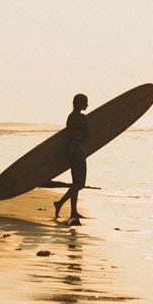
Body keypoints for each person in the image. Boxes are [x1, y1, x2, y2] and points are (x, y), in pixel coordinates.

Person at [53, 93, 89, 224]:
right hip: (78, 151)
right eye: (85, 102)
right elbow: (86, 134)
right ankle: (60, 203)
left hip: (71, 151)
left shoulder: (70, 117)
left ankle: (73, 211)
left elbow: (70, 133)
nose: (87, 105)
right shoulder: (80, 117)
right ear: (79, 103)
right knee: (80, 184)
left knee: (75, 183)